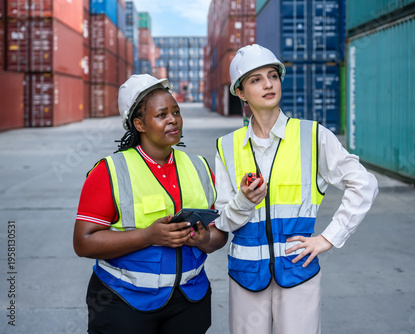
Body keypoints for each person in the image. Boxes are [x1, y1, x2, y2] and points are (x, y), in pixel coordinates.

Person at [214, 44, 379, 334]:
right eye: (255, 79)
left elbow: (364, 184)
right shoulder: (227, 146)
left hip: (297, 272)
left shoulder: (312, 136)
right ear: (240, 92)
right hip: (246, 276)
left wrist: (328, 238)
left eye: (273, 76)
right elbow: (223, 221)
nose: (268, 84)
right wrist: (243, 201)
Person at [73, 74, 227, 334]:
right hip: (123, 302)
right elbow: (83, 242)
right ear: (139, 124)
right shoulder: (110, 171)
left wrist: (203, 240)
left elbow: (219, 235)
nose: (173, 120)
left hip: (190, 300)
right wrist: (148, 236)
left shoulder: (199, 167)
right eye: (161, 115)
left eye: (176, 112)